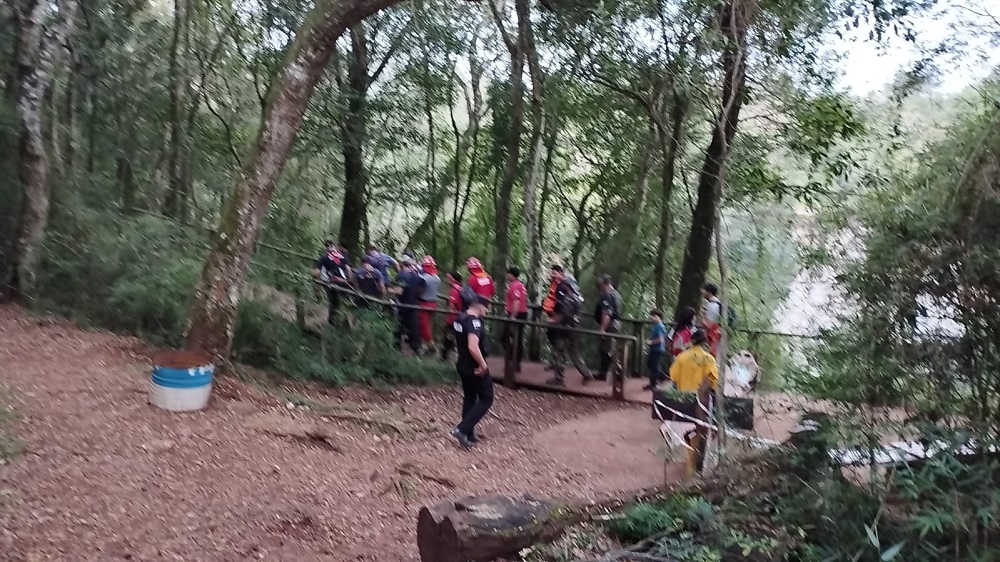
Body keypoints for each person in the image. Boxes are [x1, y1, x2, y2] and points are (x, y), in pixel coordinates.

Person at [668, 330, 718, 475]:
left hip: (683, 402)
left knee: (689, 432)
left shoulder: (682, 357)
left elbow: (673, 377)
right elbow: (714, 382)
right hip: (700, 404)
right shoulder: (709, 359)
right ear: (705, 342)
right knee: (700, 431)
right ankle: (693, 467)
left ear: (691, 341)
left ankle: (692, 463)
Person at [451, 294, 494, 449]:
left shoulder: (460, 318)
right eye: (486, 307)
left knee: (470, 397)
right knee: (487, 398)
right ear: (480, 306)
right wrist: (483, 365)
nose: (487, 311)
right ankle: (462, 429)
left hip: (462, 363)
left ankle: (468, 433)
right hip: (474, 366)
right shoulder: (473, 322)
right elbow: (472, 346)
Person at [545, 265, 593, 386]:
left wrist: (553, 321)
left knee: (559, 350)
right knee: (574, 351)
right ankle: (586, 373)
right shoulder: (576, 294)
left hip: (566, 327)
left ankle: (558, 378)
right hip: (575, 325)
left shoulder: (567, 294)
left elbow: (564, 313)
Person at [312, 239, 351, 325]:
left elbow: (317, 272)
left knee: (333, 302)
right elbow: (348, 269)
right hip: (343, 282)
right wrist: (349, 280)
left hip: (332, 282)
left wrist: (315, 278)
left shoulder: (324, 257)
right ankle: (344, 322)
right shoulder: (343, 256)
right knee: (343, 302)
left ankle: (332, 323)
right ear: (334, 246)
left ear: (325, 248)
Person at [594, 274, 623, 381]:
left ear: (604, 284)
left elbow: (607, 313)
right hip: (616, 323)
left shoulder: (607, 294)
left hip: (610, 324)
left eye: (600, 284)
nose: (600, 287)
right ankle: (604, 372)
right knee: (610, 348)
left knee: (607, 350)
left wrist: (602, 329)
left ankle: (615, 374)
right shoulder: (617, 294)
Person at [394, 256, 424, 354]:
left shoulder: (401, 275)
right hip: (413, 304)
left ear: (402, 265)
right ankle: (417, 348)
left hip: (402, 304)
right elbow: (421, 289)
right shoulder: (417, 277)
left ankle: (396, 346)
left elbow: (399, 291)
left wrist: (390, 290)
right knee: (414, 326)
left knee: (398, 325)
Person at [502, 267, 529, 372]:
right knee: (516, 339)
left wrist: (512, 317)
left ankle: (513, 361)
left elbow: (516, 302)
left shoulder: (515, 286)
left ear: (511, 275)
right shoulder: (520, 285)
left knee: (506, 338)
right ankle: (515, 362)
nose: (506, 276)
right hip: (520, 313)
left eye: (508, 274)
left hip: (517, 314)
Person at [417, 256, 441, 352]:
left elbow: (420, 291)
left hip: (424, 303)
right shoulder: (437, 278)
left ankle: (431, 345)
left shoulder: (423, 278)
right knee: (428, 324)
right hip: (434, 303)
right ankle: (426, 344)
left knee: (424, 325)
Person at [441, 271, 464, 360]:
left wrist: (448, 318)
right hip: (460, 317)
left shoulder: (454, 290)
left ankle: (444, 357)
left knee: (448, 337)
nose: (447, 280)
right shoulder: (461, 288)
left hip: (453, 319)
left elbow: (452, 306)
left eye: (448, 278)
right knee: (455, 338)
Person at [645, 309, 668, 390]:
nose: (652, 318)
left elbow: (660, 338)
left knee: (654, 366)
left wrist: (651, 342)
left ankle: (653, 384)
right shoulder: (655, 326)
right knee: (650, 364)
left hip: (658, 349)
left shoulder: (660, 326)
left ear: (659, 317)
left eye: (654, 316)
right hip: (654, 349)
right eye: (651, 316)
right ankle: (661, 377)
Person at [700, 283, 723, 356]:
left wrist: (702, 316)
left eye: (704, 291)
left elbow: (709, 325)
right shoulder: (717, 304)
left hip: (711, 337)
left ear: (709, 292)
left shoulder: (712, 305)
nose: (703, 292)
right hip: (715, 336)